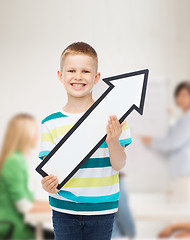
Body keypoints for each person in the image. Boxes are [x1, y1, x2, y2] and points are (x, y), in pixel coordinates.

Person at [39, 42, 132, 240]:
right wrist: (48, 184)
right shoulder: (50, 124)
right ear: (60, 75)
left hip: (102, 210)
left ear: (96, 78)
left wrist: (113, 141)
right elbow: (50, 173)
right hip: (63, 210)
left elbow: (119, 164)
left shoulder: (114, 118)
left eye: (86, 71)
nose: (78, 76)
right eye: (71, 70)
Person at [141, 81, 190, 205]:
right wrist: (171, 118)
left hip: (187, 172)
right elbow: (174, 136)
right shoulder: (186, 117)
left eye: (184, 95)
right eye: (178, 95)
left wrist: (151, 141)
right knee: (181, 211)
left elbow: (174, 142)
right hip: (183, 172)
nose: (180, 98)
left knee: (184, 213)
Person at [0, 113, 53, 239]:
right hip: (13, 229)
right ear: (24, 135)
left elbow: (28, 200)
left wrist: (57, 205)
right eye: (34, 132)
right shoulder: (14, 161)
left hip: (18, 226)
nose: (37, 136)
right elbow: (25, 206)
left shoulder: (17, 159)